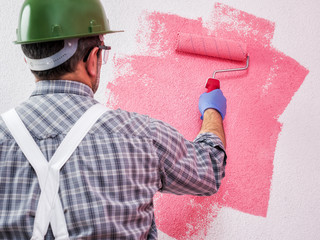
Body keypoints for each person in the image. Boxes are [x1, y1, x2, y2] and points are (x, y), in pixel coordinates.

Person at [0, 0, 227, 239]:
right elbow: (210, 169)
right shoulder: (142, 136)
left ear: (28, 59)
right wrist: (213, 111)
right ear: (93, 59)